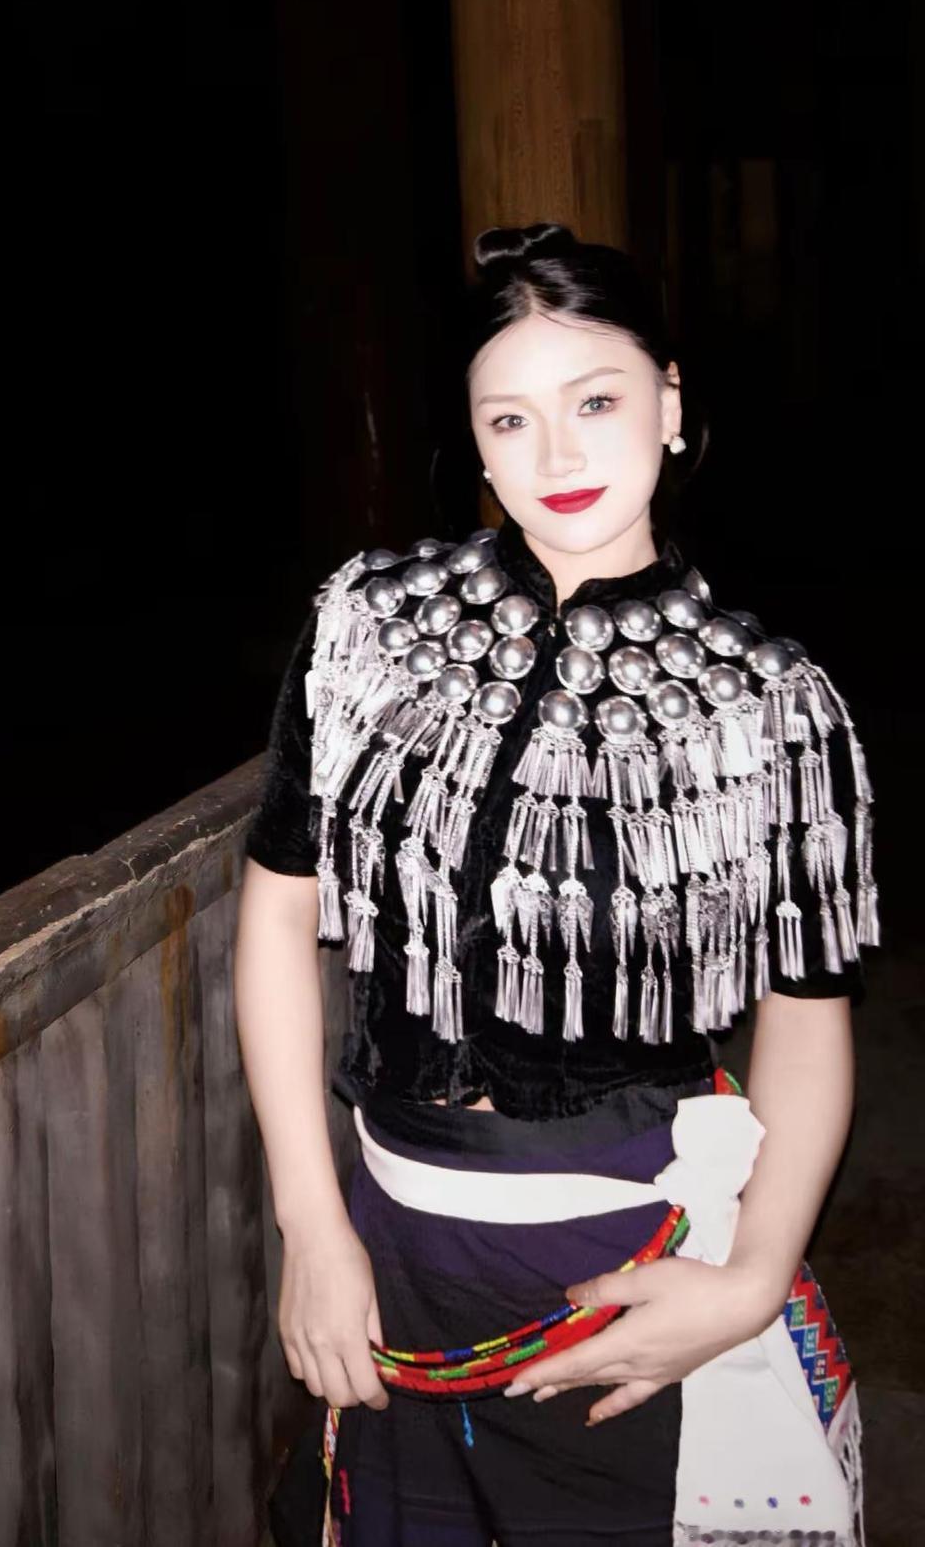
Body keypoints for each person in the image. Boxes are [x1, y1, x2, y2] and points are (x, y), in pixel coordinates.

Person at [234, 221, 877, 1547]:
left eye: (596, 401)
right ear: (476, 443)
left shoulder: (772, 702)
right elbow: (280, 910)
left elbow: (807, 1019)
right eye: (511, 419)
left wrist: (752, 1277)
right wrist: (312, 1227)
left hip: (626, 1261)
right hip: (389, 1242)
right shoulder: (369, 624)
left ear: (672, 403)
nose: (559, 456)